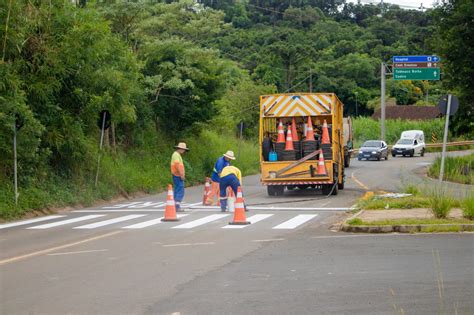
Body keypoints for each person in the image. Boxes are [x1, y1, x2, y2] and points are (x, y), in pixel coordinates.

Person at [170, 142, 189, 211]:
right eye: (183, 149)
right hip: (177, 175)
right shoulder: (176, 155)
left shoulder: (176, 155)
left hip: (176, 174)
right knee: (180, 190)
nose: (184, 151)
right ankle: (177, 205)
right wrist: (181, 174)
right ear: (180, 149)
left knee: (177, 189)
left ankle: (175, 205)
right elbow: (177, 165)